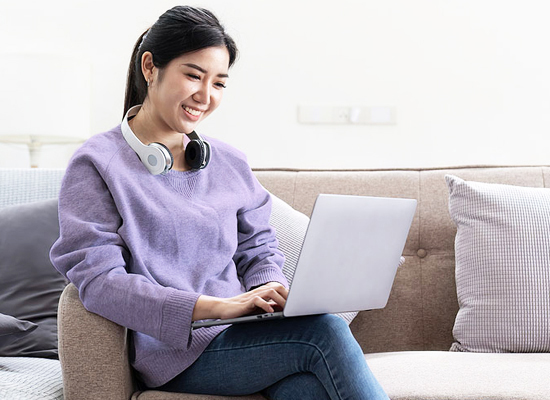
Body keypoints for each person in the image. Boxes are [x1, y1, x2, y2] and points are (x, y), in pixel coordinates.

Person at [50, 5, 390, 400]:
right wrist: (213, 307)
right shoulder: (97, 164)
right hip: (178, 353)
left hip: (246, 335)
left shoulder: (228, 162)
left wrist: (269, 291)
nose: (205, 96)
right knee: (325, 330)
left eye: (219, 83)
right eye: (193, 76)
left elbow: (259, 247)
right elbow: (99, 283)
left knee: (307, 389)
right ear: (149, 67)